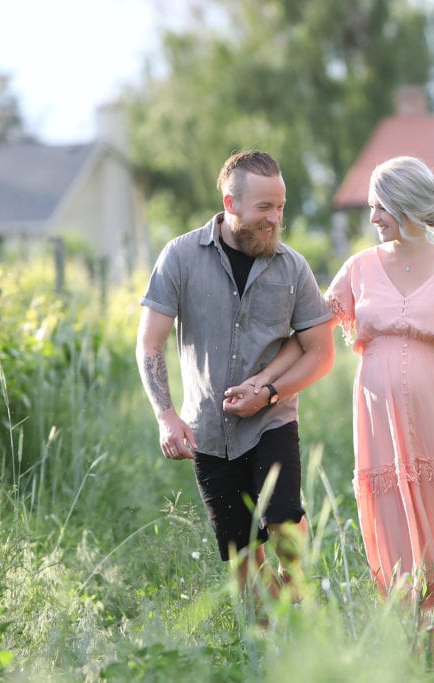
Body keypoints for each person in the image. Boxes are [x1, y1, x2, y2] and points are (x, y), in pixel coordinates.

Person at [234, 156, 434, 666]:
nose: (372, 218)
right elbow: (309, 336)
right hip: (380, 427)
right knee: (398, 531)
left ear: (404, 204)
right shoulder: (359, 269)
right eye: (371, 207)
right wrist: (263, 381)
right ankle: (420, 652)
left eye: (378, 207)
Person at [136, 150, 334, 601]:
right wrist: (166, 415)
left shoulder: (293, 267)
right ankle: (266, 636)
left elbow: (320, 354)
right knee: (243, 555)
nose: (275, 218)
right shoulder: (181, 257)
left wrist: (267, 393)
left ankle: (303, 604)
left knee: (283, 521)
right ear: (231, 204)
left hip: (273, 419)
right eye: (265, 207)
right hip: (208, 429)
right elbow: (150, 344)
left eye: (280, 207)